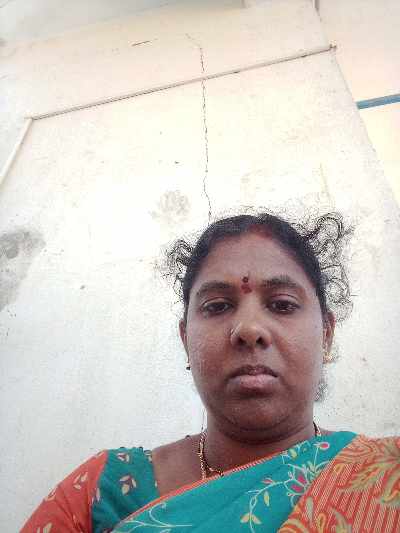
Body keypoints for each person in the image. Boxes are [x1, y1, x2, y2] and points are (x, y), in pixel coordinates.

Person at [21, 211, 400, 533]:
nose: (249, 329)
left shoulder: (387, 476)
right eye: (218, 306)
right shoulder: (100, 494)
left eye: (282, 305)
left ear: (326, 335)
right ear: (186, 339)